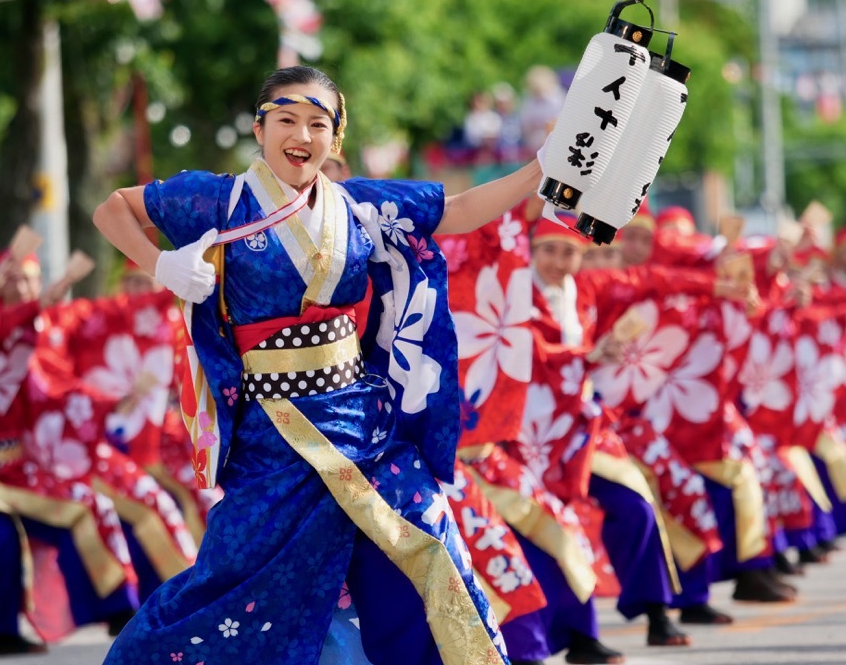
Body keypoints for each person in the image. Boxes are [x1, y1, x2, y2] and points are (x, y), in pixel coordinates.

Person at [93, 65, 550, 664]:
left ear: (335, 140)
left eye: (317, 123)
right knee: (239, 581)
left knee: (427, 538)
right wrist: (161, 265)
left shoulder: (357, 205)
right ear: (260, 129)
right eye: (286, 119)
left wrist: (541, 166)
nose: (301, 134)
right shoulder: (218, 199)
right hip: (273, 432)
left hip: (363, 419)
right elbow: (112, 210)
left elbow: (457, 209)